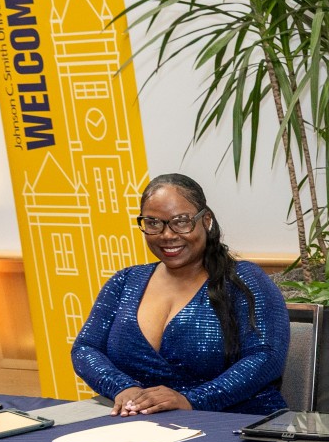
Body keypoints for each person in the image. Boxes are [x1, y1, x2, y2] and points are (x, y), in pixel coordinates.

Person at [73, 174, 289, 415]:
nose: (167, 234)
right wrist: (123, 388)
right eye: (153, 223)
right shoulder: (125, 281)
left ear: (205, 220)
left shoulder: (244, 280)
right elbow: (85, 348)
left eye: (181, 221)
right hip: (140, 429)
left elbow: (266, 358)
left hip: (235, 427)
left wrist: (191, 400)